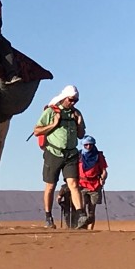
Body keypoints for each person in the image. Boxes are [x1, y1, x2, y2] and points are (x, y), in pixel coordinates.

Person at [33, 85, 89, 230]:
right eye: (71, 100)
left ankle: (81, 215)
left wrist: (79, 123)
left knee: (74, 184)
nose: (73, 103)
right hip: (54, 153)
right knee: (51, 186)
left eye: (76, 101)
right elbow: (37, 131)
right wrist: (54, 124)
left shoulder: (76, 113)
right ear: (65, 97)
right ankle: (48, 217)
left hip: (71, 154)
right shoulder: (51, 111)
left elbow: (81, 135)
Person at [78, 135, 108, 230]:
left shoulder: (98, 156)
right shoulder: (78, 156)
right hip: (81, 184)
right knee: (81, 207)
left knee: (92, 209)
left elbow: (104, 170)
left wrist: (103, 178)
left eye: (90, 145)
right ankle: (83, 226)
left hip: (95, 185)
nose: (88, 147)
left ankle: (90, 229)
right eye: (86, 145)